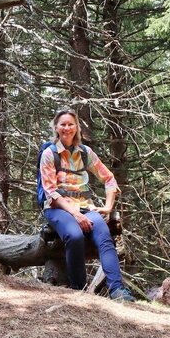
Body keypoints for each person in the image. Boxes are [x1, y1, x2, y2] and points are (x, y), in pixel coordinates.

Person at [39, 107, 135, 302]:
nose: (67, 128)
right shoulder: (49, 154)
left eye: (71, 124)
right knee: (74, 236)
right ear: (56, 127)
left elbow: (109, 178)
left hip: (85, 205)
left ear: (77, 127)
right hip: (58, 208)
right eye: (63, 124)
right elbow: (51, 193)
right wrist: (76, 215)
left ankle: (117, 290)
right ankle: (79, 290)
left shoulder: (85, 153)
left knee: (104, 236)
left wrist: (108, 207)